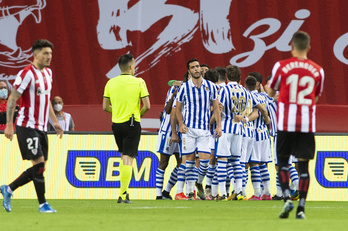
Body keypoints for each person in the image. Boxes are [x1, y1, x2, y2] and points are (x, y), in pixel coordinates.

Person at [1, 39, 63, 213]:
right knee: (39, 164)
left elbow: (46, 101)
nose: (49, 56)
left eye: (50, 53)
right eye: (45, 53)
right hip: (26, 125)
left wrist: (55, 122)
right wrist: (9, 125)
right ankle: (43, 204)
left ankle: (9, 188)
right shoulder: (27, 73)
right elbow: (12, 98)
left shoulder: (48, 73)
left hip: (42, 127)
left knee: (40, 167)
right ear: (35, 55)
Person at [269, 31, 324, 219]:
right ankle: (301, 209)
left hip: (285, 123)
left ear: (291, 46)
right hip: (307, 124)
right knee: (303, 167)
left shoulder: (281, 66)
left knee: (283, 163)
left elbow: (271, 89)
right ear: (308, 47)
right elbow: (315, 97)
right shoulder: (318, 70)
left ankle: (286, 199)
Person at [103, 54, 150, 204]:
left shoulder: (110, 83)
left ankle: (125, 192)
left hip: (116, 124)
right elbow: (147, 105)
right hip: (131, 123)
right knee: (128, 159)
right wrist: (138, 115)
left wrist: (116, 112)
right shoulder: (139, 82)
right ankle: (123, 194)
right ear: (131, 66)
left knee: (123, 157)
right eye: (134, 65)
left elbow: (105, 107)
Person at [175, 58, 222, 200]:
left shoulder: (211, 87)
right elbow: (178, 109)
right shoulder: (184, 87)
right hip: (188, 130)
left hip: (204, 129)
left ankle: (198, 182)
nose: (196, 69)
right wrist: (181, 124)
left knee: (205, 161)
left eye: (197, 66)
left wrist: (219, 126)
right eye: (193, 67)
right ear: (189, 71)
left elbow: (217, 108)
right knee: (188, 161)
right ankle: (190, 193)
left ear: (201, 69)